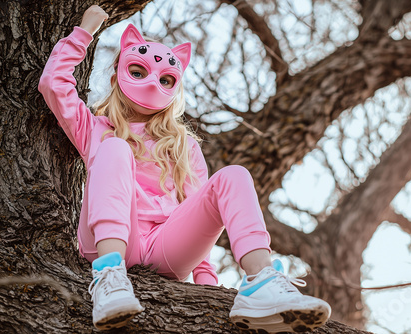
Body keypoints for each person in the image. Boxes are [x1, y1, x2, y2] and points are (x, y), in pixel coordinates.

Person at [38, 5, 331, 333]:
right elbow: (54, 83)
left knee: (235, 175)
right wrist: (84, 33)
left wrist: (206, 283)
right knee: (115, 147)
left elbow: (198, 216)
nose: (152, 83)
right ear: (118, 73)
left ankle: (261, 280)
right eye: (138, 72)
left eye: (165, 79)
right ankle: (109, 278)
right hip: (108, 242)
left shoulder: (184, 146)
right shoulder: (95, 128)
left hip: (167, 250)